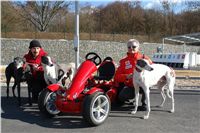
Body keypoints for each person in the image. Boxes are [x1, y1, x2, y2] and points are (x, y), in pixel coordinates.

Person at [114, 39, 152, 110]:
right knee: (121, 96)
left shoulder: (145, 59)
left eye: (134, 46)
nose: (131, 48)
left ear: (138, 47)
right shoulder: (123, 61)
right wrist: (127, 76)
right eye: (129, 47)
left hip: (143, 83)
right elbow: (116, 77)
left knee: (147, 85)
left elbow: (153, 69)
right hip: (131, 85)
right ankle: (132, 99)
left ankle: (144, 103)